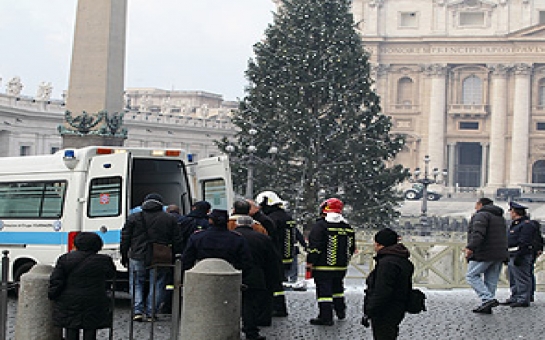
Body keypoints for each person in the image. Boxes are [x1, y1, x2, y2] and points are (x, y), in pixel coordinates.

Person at [120, 193, 183, 322]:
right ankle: (151, 312)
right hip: (160, 255)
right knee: (158, 283)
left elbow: (125, 238)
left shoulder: (134, 217)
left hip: (137, 253)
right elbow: (177, 239)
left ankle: (137, 310)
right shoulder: (169, 218)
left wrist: (124, 254)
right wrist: (175, 254)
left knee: (137, 283)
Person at [48, 232, 116, 340]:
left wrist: (52, 294)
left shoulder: (65, 259)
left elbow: (57, 279)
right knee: (90, 327)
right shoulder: (104, 260)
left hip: (69, 299)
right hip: (94, 298)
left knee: (71, 327)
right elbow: (111, 274)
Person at [306, 198, 355, 326]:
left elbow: (315, 247)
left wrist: (311, 261)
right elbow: (351, 247)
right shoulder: (347, 226)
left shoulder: (320, 226)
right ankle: (340, 310)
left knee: (324, 292)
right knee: (338, 289)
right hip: (341, 267)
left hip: (323, 266)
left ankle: (325, 317)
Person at [363, 228, 414, 340]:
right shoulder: (402, 260)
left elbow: (382, 290)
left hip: (385, 309)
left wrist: (370, 310)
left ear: (379, 244)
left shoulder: (387, 263)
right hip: (397, 307)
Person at [235, 215, 280, 340]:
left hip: (234, 273)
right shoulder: (263, 238)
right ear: (252, 225)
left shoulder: (231, 236)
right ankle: (251, 331)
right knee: (250, 304)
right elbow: (272, 260)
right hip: (255, 275)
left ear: (237, 224)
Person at [464, 197, 508, 314]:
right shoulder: (499, 217)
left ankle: (487, 299)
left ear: (480, 204)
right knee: (491, 280)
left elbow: (478, 234)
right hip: (499, 253)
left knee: (471, 275)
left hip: (485, 252)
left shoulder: (481, 216)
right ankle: (486, 305)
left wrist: (470, 247)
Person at [255, 191, 293, 317]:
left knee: (272, 283)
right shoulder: (286, 216)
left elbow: (270, 237)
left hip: (275, 254)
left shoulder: (273, 219)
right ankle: (279, 307)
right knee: (277, 283)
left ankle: (275, 308)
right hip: (285, 255)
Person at [182, 209, 252, 273]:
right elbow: (246, 262)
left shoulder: (197, 237)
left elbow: (187, 259)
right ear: (227, 221)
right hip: (229, 277)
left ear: (210, 220)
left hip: (202, 275)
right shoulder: (237, 238)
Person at [500, 201, 536, 308]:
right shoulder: (516, 224)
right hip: (511, 253)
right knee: (513, 277)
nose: (510, 213)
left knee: (522, 277)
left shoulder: (526, 225)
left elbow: (524, 242)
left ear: (515, 212)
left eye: (511, 211)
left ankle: (523, 298)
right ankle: (515, 296)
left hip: (520, 254)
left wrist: (519, 255)